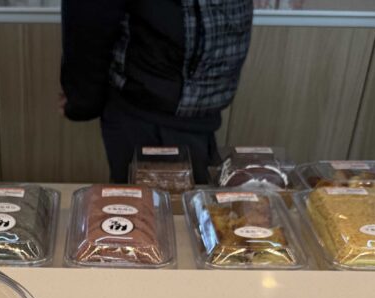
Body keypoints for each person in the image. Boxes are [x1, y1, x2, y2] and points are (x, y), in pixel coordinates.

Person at [60, 0, 253, 184]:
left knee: (186, 205)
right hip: (148, 108)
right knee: (151, 208)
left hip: (197, 104)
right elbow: (90, 17)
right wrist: (83, 98)